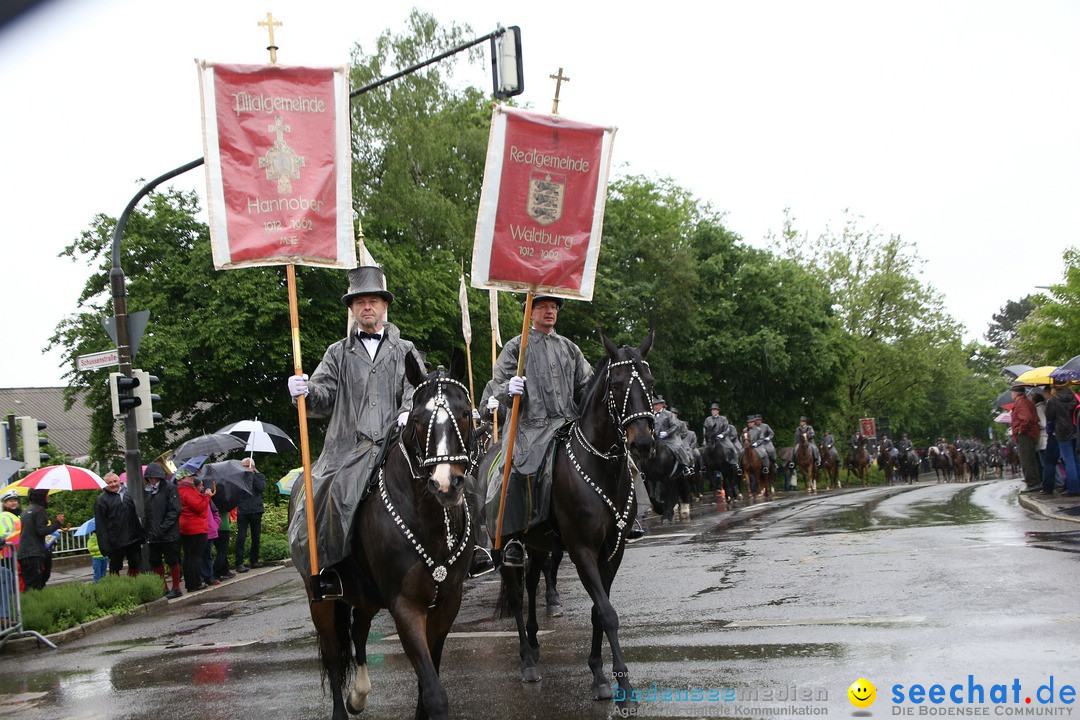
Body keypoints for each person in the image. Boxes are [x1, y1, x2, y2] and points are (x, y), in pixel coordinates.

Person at [286, 266, 425, 590]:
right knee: (329, 495)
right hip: (348, 448)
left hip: (396, 443)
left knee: (445, 479)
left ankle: (463, 552)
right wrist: (305, 390)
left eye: (373, 301)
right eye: (360, 302)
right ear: (351, 308)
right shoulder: (336, 353)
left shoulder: (406, 350)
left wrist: (407, 412)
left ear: (384, 306)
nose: (367, 307)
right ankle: (330, 567)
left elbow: (416, 389)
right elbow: (323, 396)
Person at [487, 294, 592, 568]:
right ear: (529, 312)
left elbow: (586, 386)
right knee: (517, 468)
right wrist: (508, 389)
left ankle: (621, 517)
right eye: (543, 306)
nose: (550, 311)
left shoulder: (570, 348)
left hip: (568, 423)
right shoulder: (515, 347)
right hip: (530, 428)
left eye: (554, 307)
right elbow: (497, 385)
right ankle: (513, 538)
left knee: (607, 452)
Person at [144, 462, 182, 598]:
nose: (152, 480)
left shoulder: (170, 488)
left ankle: (176, 587)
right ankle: (164, 587)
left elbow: (175, 510)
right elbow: (148, 513)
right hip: (154, 535)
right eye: (150, 478)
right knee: (155, 560)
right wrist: (148, 531)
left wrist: (163, 528)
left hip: (168, 533)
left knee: (172, 559)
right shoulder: (149, 492)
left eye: (154, 477)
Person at [94, 472, 143, 576]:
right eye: (109, 482)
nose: (113, 484)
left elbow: (134, 516)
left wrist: (140, 534)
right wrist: (104, 545)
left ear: (119, 481)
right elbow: (100, 525)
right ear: (105, 484)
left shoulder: (127, 494)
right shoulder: (101, 500)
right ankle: (116, 586)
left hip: (132, 537)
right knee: (115, 566)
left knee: (135, 563)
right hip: (115, 540)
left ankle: (133, 585)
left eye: (115, 481)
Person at [19, 488, 63, 590]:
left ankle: (28, 604)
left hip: (23, 553)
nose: (48, 497)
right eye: (46, 494)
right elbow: (41, 531)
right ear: (42, 496)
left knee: (29, 584)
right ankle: (34, 605)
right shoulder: (39, 510)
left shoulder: (26, 511)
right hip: (34, 553)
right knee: (36, 586)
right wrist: (57, 523)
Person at [177, 468, 212, 593]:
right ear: (182, 479)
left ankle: (191, 582)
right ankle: (195, 582)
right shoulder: (187, 491)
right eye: (189, 476)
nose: (192, 478)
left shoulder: (180, 491)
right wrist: (207, 496)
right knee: (195, 557)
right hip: (195, 527)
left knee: (189, 556)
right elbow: (199, 506)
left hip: (186, 527)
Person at [1043, 383, 1079, 495]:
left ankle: (1074, 489)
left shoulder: (1053, 401)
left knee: (1069, 461)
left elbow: (1049, 416)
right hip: (1076, 430)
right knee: (1077, 460)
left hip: (1062, 433)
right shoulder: (1075, 397)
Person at [235, 457, 267, 573]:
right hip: (243, 510)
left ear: (252, 466)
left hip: (255, 510)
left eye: (244, 466)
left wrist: (252, 475)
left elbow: (261, 488)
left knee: (256, 537)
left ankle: (254, 560)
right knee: (241, 537)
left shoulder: (259, 476)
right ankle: (239, 562)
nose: (242, 469)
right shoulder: (240, 478)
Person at [1011, 384, 1042, 489]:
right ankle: (1035, 480)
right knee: (1030, 458)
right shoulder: (1024, 402)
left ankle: (1032, 482)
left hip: (1025, 434)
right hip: (1028, 433)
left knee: (1026, 459)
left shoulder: (1021, 403)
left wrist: (1020, 430)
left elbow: (1027, 418)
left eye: (1012, 392)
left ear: (1015, 393)